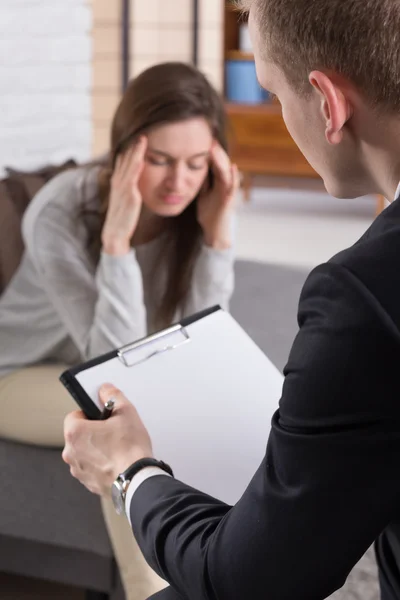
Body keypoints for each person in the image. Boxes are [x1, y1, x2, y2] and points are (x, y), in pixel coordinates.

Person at [63, 1, 400, 599]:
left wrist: (131, 472)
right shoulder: (65, 215)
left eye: (272, 92)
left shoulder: (361, 295)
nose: (179, 179)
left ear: (328, 103)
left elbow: (248, 581)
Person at [0, 62, 240, 600]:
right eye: (159, 161)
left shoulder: (204, 200)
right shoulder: (59, 211)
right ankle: (152, 592)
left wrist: (218, 241)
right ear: (125, 151)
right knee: (122, 422)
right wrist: (116, 245)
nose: (179, 181)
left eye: (197, 162)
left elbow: (198, 347)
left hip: (113, 372)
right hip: (15, 375)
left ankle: (227, 561)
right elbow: (107, 360)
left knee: (205, 409)